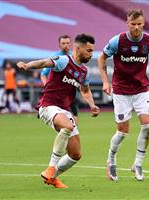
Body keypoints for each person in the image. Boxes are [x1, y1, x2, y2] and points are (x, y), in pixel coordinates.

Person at [17, 33, 100, 188]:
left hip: (65, 110)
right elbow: (43, 63)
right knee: (67, 126)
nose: (91, 54)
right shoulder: (63, 61)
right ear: (78, 48)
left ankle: (53, 177)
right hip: (48, 106)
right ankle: (51, 167)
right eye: (88, 50)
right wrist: (27, 66)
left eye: (92, 51)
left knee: (75, 154)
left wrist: (92, 105)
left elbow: (85, 90)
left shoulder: (84, 72)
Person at [98, 9, 149, 182]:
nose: (136, 27)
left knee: (147, 126)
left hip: (141, 90)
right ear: (127, 23)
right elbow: (102, 58)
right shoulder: (118, 41)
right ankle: (111, 160)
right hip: (121, 91)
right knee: (123, 132)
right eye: (133, 24)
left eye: (139, 24)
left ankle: (137, 164)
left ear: (143, 23)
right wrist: (105, 81)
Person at [41, 35, 79, 122]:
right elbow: (43, 74)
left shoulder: (74, 57)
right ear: (59, 44)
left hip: (70, 91)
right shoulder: (55, 58)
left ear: (70, 44)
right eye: (63, 43)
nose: (66, 45)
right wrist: (46, 86)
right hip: (57, 93)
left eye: (67, 43)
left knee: (74, 120)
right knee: (62, 120)